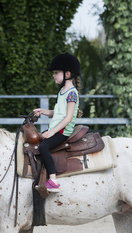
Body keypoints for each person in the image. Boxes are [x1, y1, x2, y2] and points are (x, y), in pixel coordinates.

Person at [33, 53, 81, 193]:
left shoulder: (72, 93)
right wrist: (43, 111)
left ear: (67, 74)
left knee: (43, 147)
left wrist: (51, 132)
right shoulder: (62, 91)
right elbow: (58, 113)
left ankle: (53, 180)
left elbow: (68, 118)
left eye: (56, 72)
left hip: (62, 131)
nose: (53, 75)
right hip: (56, 128)